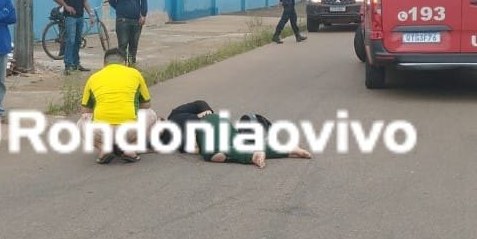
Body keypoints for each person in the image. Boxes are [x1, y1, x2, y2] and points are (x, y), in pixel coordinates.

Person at [158, 100, 312, 167]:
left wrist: (205, 111)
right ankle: (288, 149)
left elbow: (199, 103)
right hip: (219, 133)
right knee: (233, 147)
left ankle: (252, 156)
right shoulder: (163, 140)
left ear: (160, 119)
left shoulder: (175, 115)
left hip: (210, 123)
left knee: (212, 153)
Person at [79, 48, 157, 164]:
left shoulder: (93, 78)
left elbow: (85, 110)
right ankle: (131, 149)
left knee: (82, 121)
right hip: (129, 131)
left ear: (104, 64)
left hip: (102, 133)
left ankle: (103, 148)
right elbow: (146, 104)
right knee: (151, 114)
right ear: (125, 63)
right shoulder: (135, 74)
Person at [52, 0, 96, 73]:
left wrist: (91, 15)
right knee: (70, 41)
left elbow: (85, 0)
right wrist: (66, 6)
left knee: (77, 41)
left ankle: (76, 64)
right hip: (70, 17)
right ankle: (68, 65)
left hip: (80, 16)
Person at [107, 0, 147, 66]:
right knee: (123, 45)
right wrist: (120, 8)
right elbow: (111, 0)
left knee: (134, 45)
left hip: (136, 21)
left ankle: (132, 65)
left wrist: (143, 15)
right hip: (123, 21)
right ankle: (122, 66)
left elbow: (144, 0)